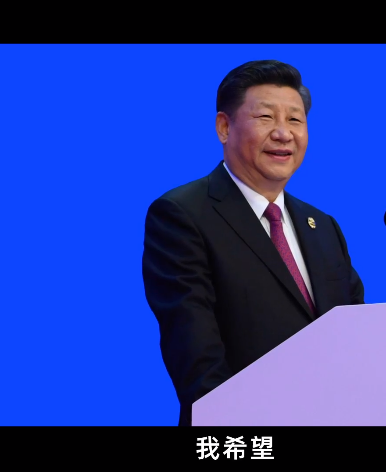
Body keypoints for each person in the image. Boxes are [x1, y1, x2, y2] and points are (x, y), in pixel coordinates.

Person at [142, 60, 365, 426]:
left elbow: (358, 336)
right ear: (224, 127)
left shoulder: (323, 226)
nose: (283, 133)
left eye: (295, 120)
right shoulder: (183, 215)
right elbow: (195, 354)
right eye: (265, 117)